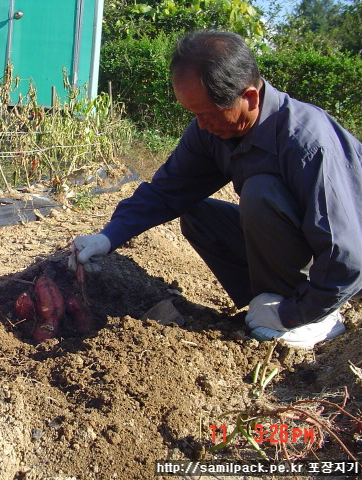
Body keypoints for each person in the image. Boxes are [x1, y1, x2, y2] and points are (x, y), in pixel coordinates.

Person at [70, 30, 362, 349]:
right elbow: (168, 191)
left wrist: (295, 314)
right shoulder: (211, 131)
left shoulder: (307, 143)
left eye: (208, 112)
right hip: (313, 249)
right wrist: (109, 236)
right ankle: (269, 303)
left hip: (343, 262)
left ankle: (316, 316)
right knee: (197, 214)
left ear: (249, 97)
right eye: (194, 114)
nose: (202, 124)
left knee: (260, 192)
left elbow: (346, 254)